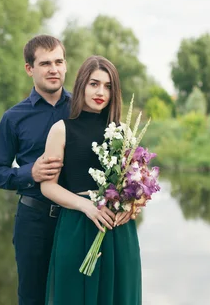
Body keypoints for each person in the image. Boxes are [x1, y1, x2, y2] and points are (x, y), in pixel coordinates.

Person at [41, 55, 142, 304]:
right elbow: (48, 186)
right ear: (81, 85)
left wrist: (133, 205)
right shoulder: (62, 129)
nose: (101, 92)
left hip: (117, 231)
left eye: (108, 86)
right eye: (94, 84)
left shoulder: (124, 132)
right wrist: (86, 206)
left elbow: (136, 184)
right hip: (77, 226)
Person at [0, 34, 71, 305]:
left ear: (66, 65)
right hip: (34, 221)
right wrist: (28, 173)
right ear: (29, 69)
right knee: (33, 298)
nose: (54, 69)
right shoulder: (13, 117)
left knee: (76, 296)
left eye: (58, 61)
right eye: (45, 63)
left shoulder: (82, 110)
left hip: (77, 219)